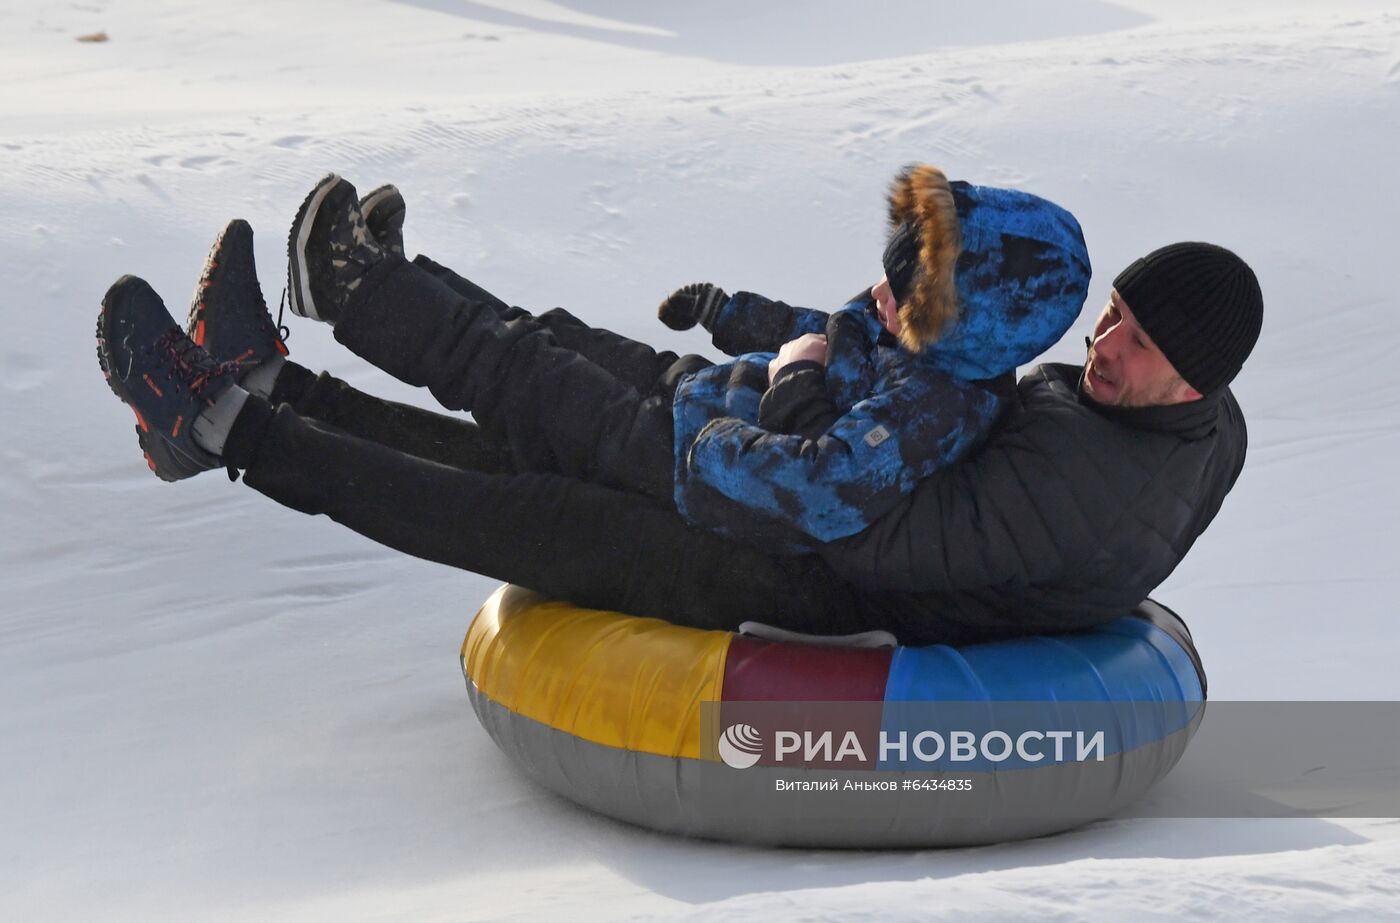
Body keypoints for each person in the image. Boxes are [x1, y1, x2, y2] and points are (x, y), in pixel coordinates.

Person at [95, 178, 1262, 647]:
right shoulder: (1159, 419)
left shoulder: (1087, 484)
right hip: (770, 472)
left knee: (503, 493)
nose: (1101, 347)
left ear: (1195, 377)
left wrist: (776, 396)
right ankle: (269, 374)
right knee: (544, 373)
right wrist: (768, 337)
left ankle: (222, 423)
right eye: (1109, 317)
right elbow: (898, 390)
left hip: (784, 571)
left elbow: (855, 526)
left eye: (1136, 342)